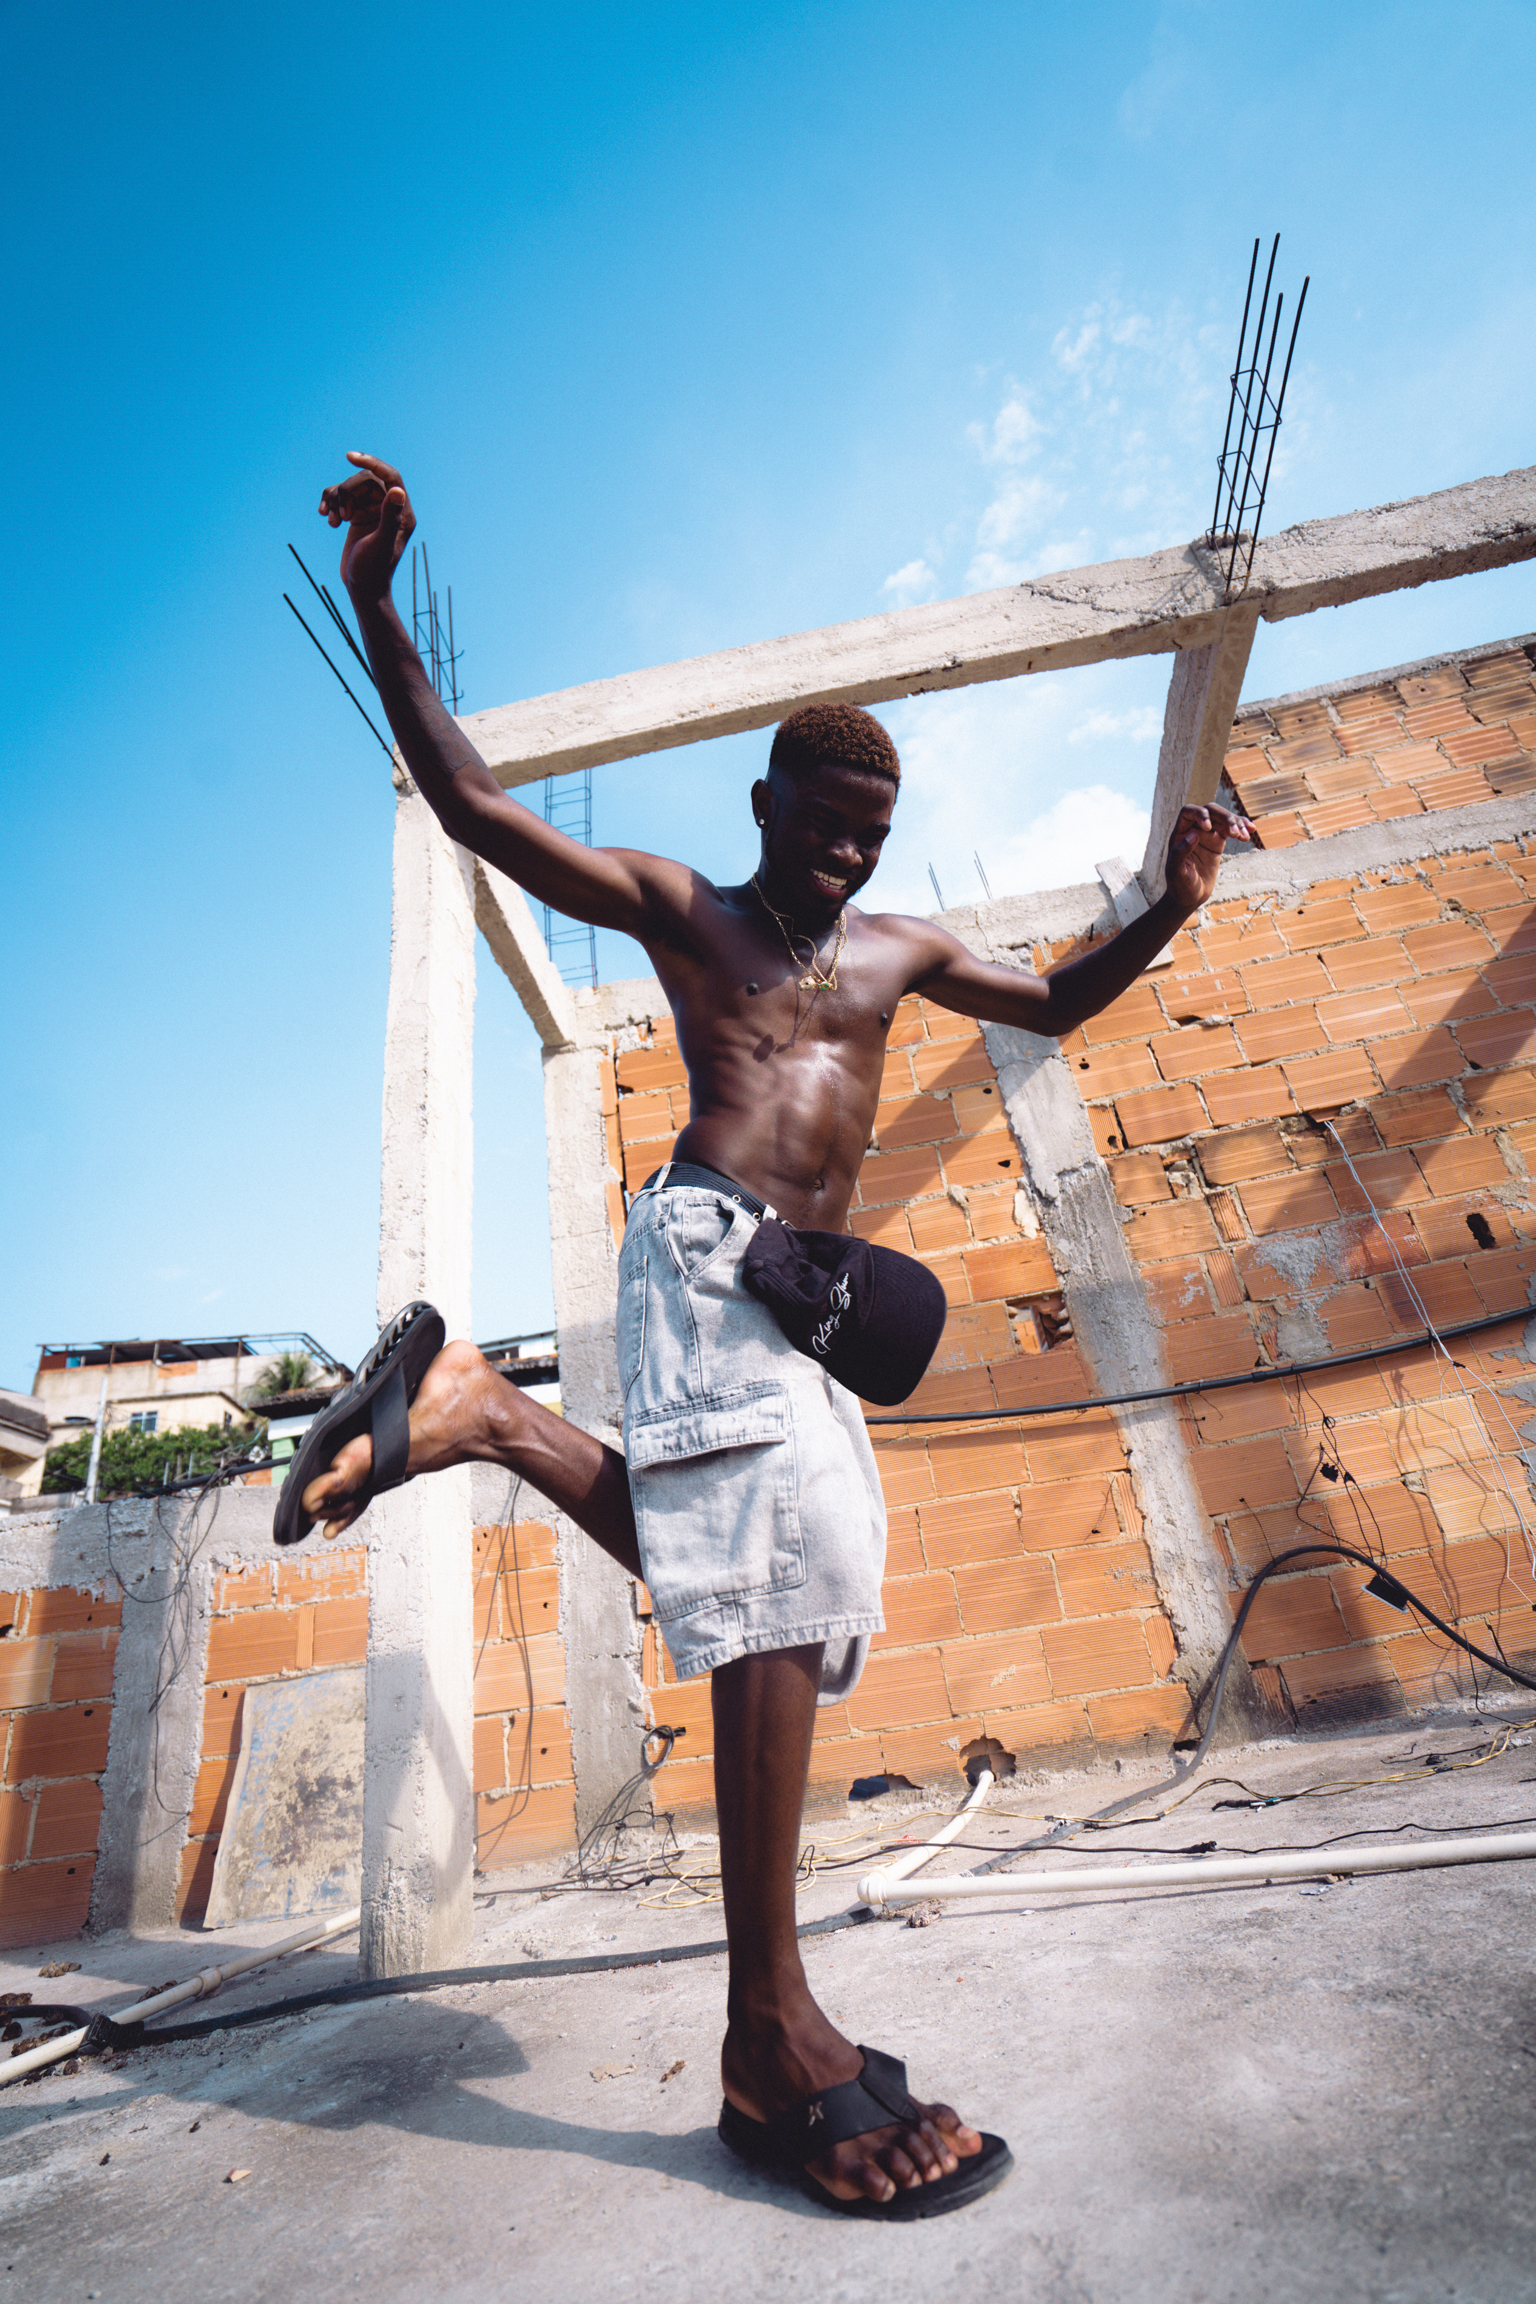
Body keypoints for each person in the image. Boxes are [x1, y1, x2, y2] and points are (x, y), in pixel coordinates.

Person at [298, 451, 1251, 2217]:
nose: (845, 853)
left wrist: (1171, 909)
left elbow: (1045, 1003)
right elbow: (483, 815)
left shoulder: (894, 953)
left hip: (805, 1296)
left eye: (868, 835)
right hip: (711, 1245)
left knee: (779, 1578)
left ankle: (480, 1415)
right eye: (822, 822)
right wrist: (378, 615)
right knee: (776, 1589)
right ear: (762, 800)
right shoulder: (694, 916)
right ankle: (770, 2024)